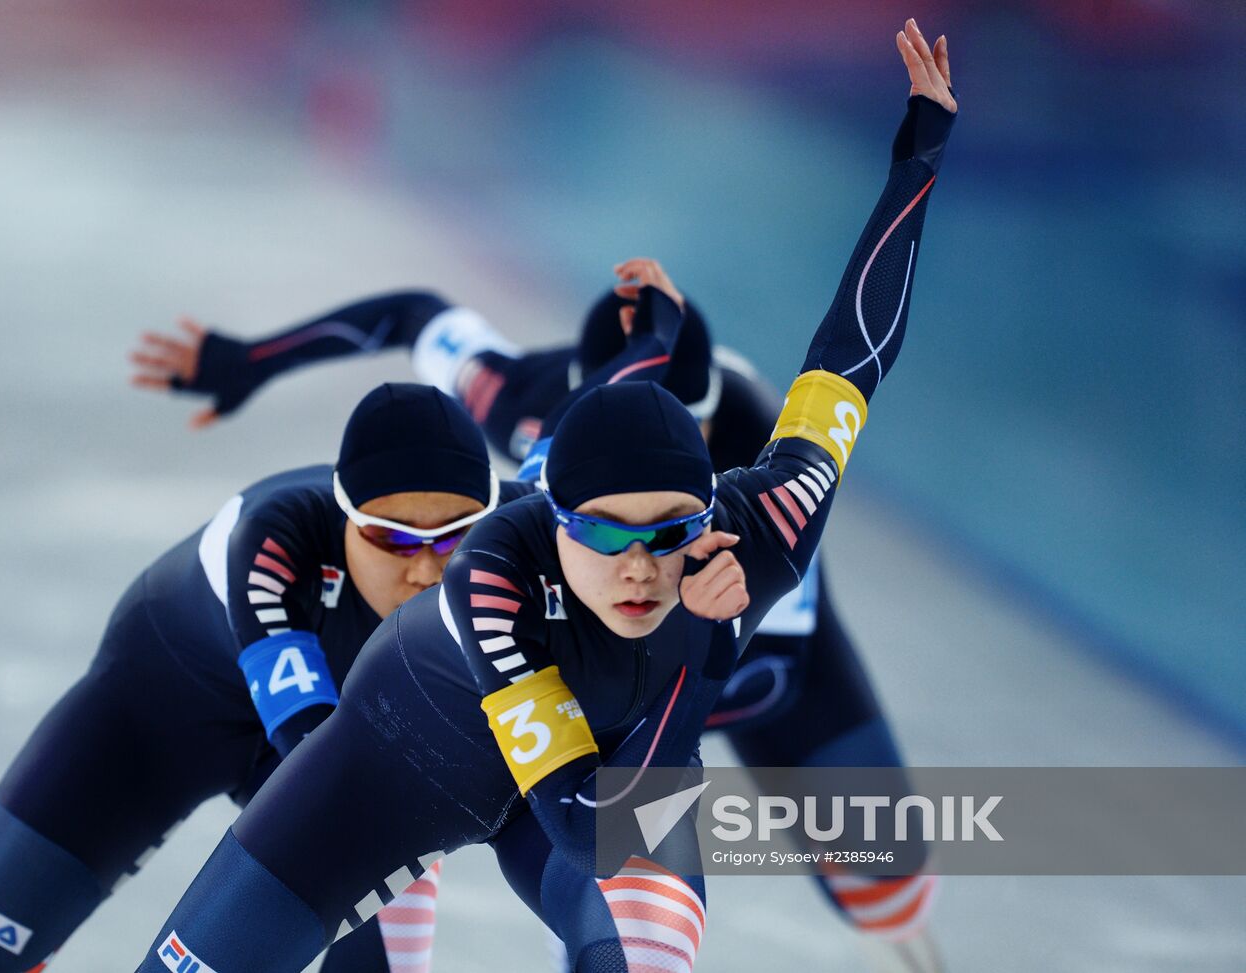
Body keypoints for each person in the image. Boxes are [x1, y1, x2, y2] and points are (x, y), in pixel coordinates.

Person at [128, 22, 958, 973]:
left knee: (661, 945)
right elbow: (571, 816)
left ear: (716, 502)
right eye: (605, 533)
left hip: (621, 761)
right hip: (415, 754)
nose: (643, 567)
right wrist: (701, 639)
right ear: (548, 510)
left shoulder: (771, 512)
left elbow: (855, 354)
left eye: (674, 531)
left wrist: (919, 150)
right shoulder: (496, 568)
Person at [0, 384, 535, 973]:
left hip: (354, 754)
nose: (425, 570)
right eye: (393, 540)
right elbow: (318, 754)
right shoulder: (272, 538)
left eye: (454, 539)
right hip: (162, 718)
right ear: (343, 518)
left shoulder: (544, 543)